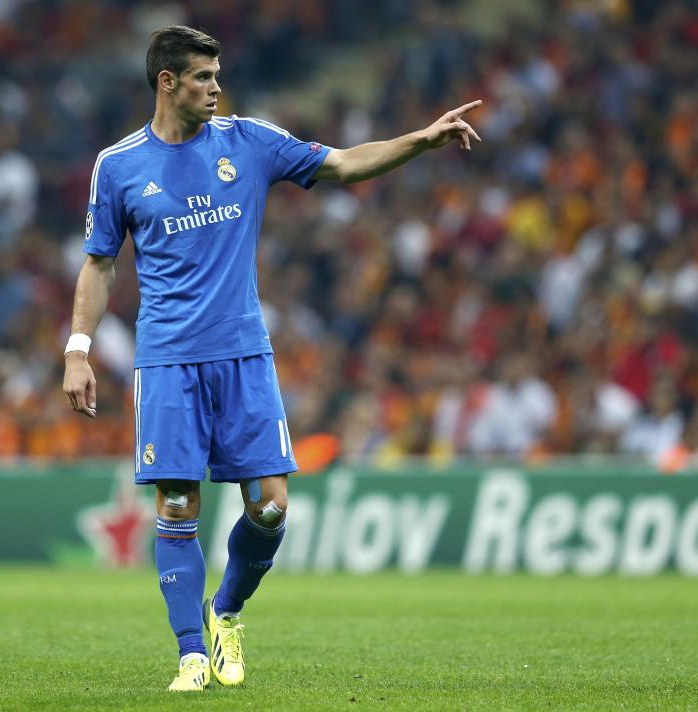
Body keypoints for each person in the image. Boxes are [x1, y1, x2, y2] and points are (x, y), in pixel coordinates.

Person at [62, 24, 481, 693]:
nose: (216, 86)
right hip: (167, 358)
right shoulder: (118, 166)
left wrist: (420, 143)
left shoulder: (248, 141)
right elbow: (99, 266)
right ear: (167, 82)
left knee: (271, 510)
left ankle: (226, 611)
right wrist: (77, 350)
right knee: (176, 505)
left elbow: (343, 163)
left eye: (218, 74)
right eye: (203, 76)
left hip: (243, 356)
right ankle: (191, 654)